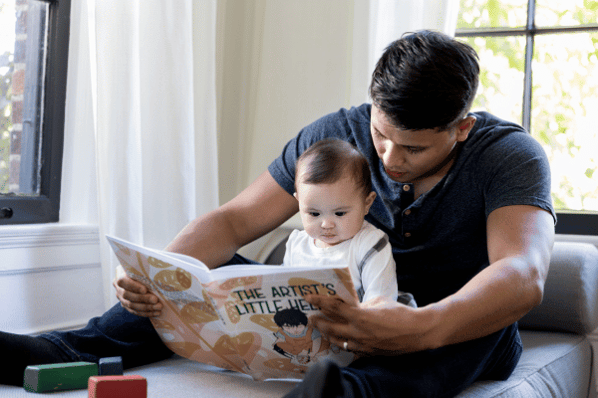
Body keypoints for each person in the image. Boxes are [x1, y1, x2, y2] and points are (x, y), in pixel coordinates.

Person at [0, 30, 555, 398]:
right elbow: (234, 222)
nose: (389, 159)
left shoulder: (509, 157)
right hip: (335, 302)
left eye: (413, 150)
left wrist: (420, 327)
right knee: (206, 268)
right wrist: (159, 272)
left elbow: (521, 274)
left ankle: (348, 392)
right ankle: (63, 350)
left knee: (474, 326)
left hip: (439, 316)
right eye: (382, 136)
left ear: (462, 127)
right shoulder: (334, 133)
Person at [284, 138, 416, 305]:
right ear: (299, 203)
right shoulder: (296, 244)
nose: (326, 224)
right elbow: (284, 294)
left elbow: (381, 303)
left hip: (359, 328)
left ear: (366, 203)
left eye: (339, 213)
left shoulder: (369, 244)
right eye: (314, 213)